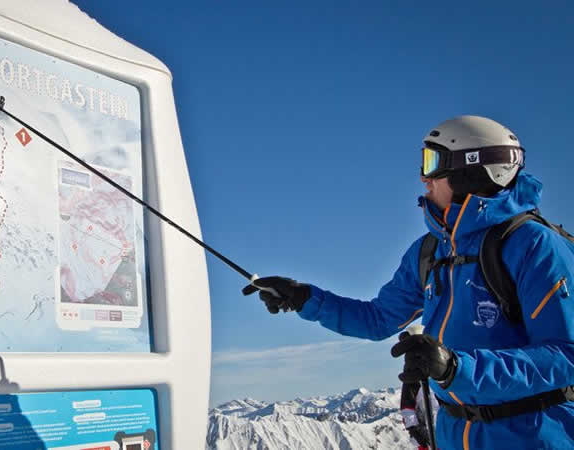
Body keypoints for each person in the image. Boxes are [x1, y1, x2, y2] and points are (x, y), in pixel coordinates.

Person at [244, 115, 574, 449]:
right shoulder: (430, 252)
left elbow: (566, 357)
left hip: (534, 435)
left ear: (472, 170)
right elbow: (377, 319)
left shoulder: (533, 246)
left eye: (432, 162)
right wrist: (304, 297)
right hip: (453, 434)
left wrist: (456, 368)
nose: (422, 177)